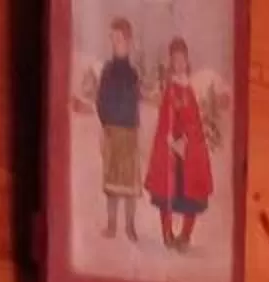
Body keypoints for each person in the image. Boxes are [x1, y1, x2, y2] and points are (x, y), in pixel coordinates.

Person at [74, 15, 147, 242]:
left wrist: (133, 126)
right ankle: (112, 225)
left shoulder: (133, 74)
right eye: (113, 39)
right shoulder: (107, 70)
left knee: (130, 183)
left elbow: (135, 101)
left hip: (129, 132)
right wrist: (105, 123)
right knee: (112, 183)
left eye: (120, 39)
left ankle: (130, 226)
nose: (116, 43)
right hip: (112, 131)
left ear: (129, 41)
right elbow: (101, 99)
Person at [146, 38, 216, 251]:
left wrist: (187, 139)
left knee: (192, 193)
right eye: (174, 60)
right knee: (166, 190)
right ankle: (167, 234)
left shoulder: (190, 88)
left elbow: (194, 119)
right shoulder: (169, 89)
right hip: (170, 149)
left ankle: (185, 235)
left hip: (189, 149)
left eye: (181, 59)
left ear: (187, 61)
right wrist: (170, 139)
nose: (178, 63)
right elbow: (165, 118)